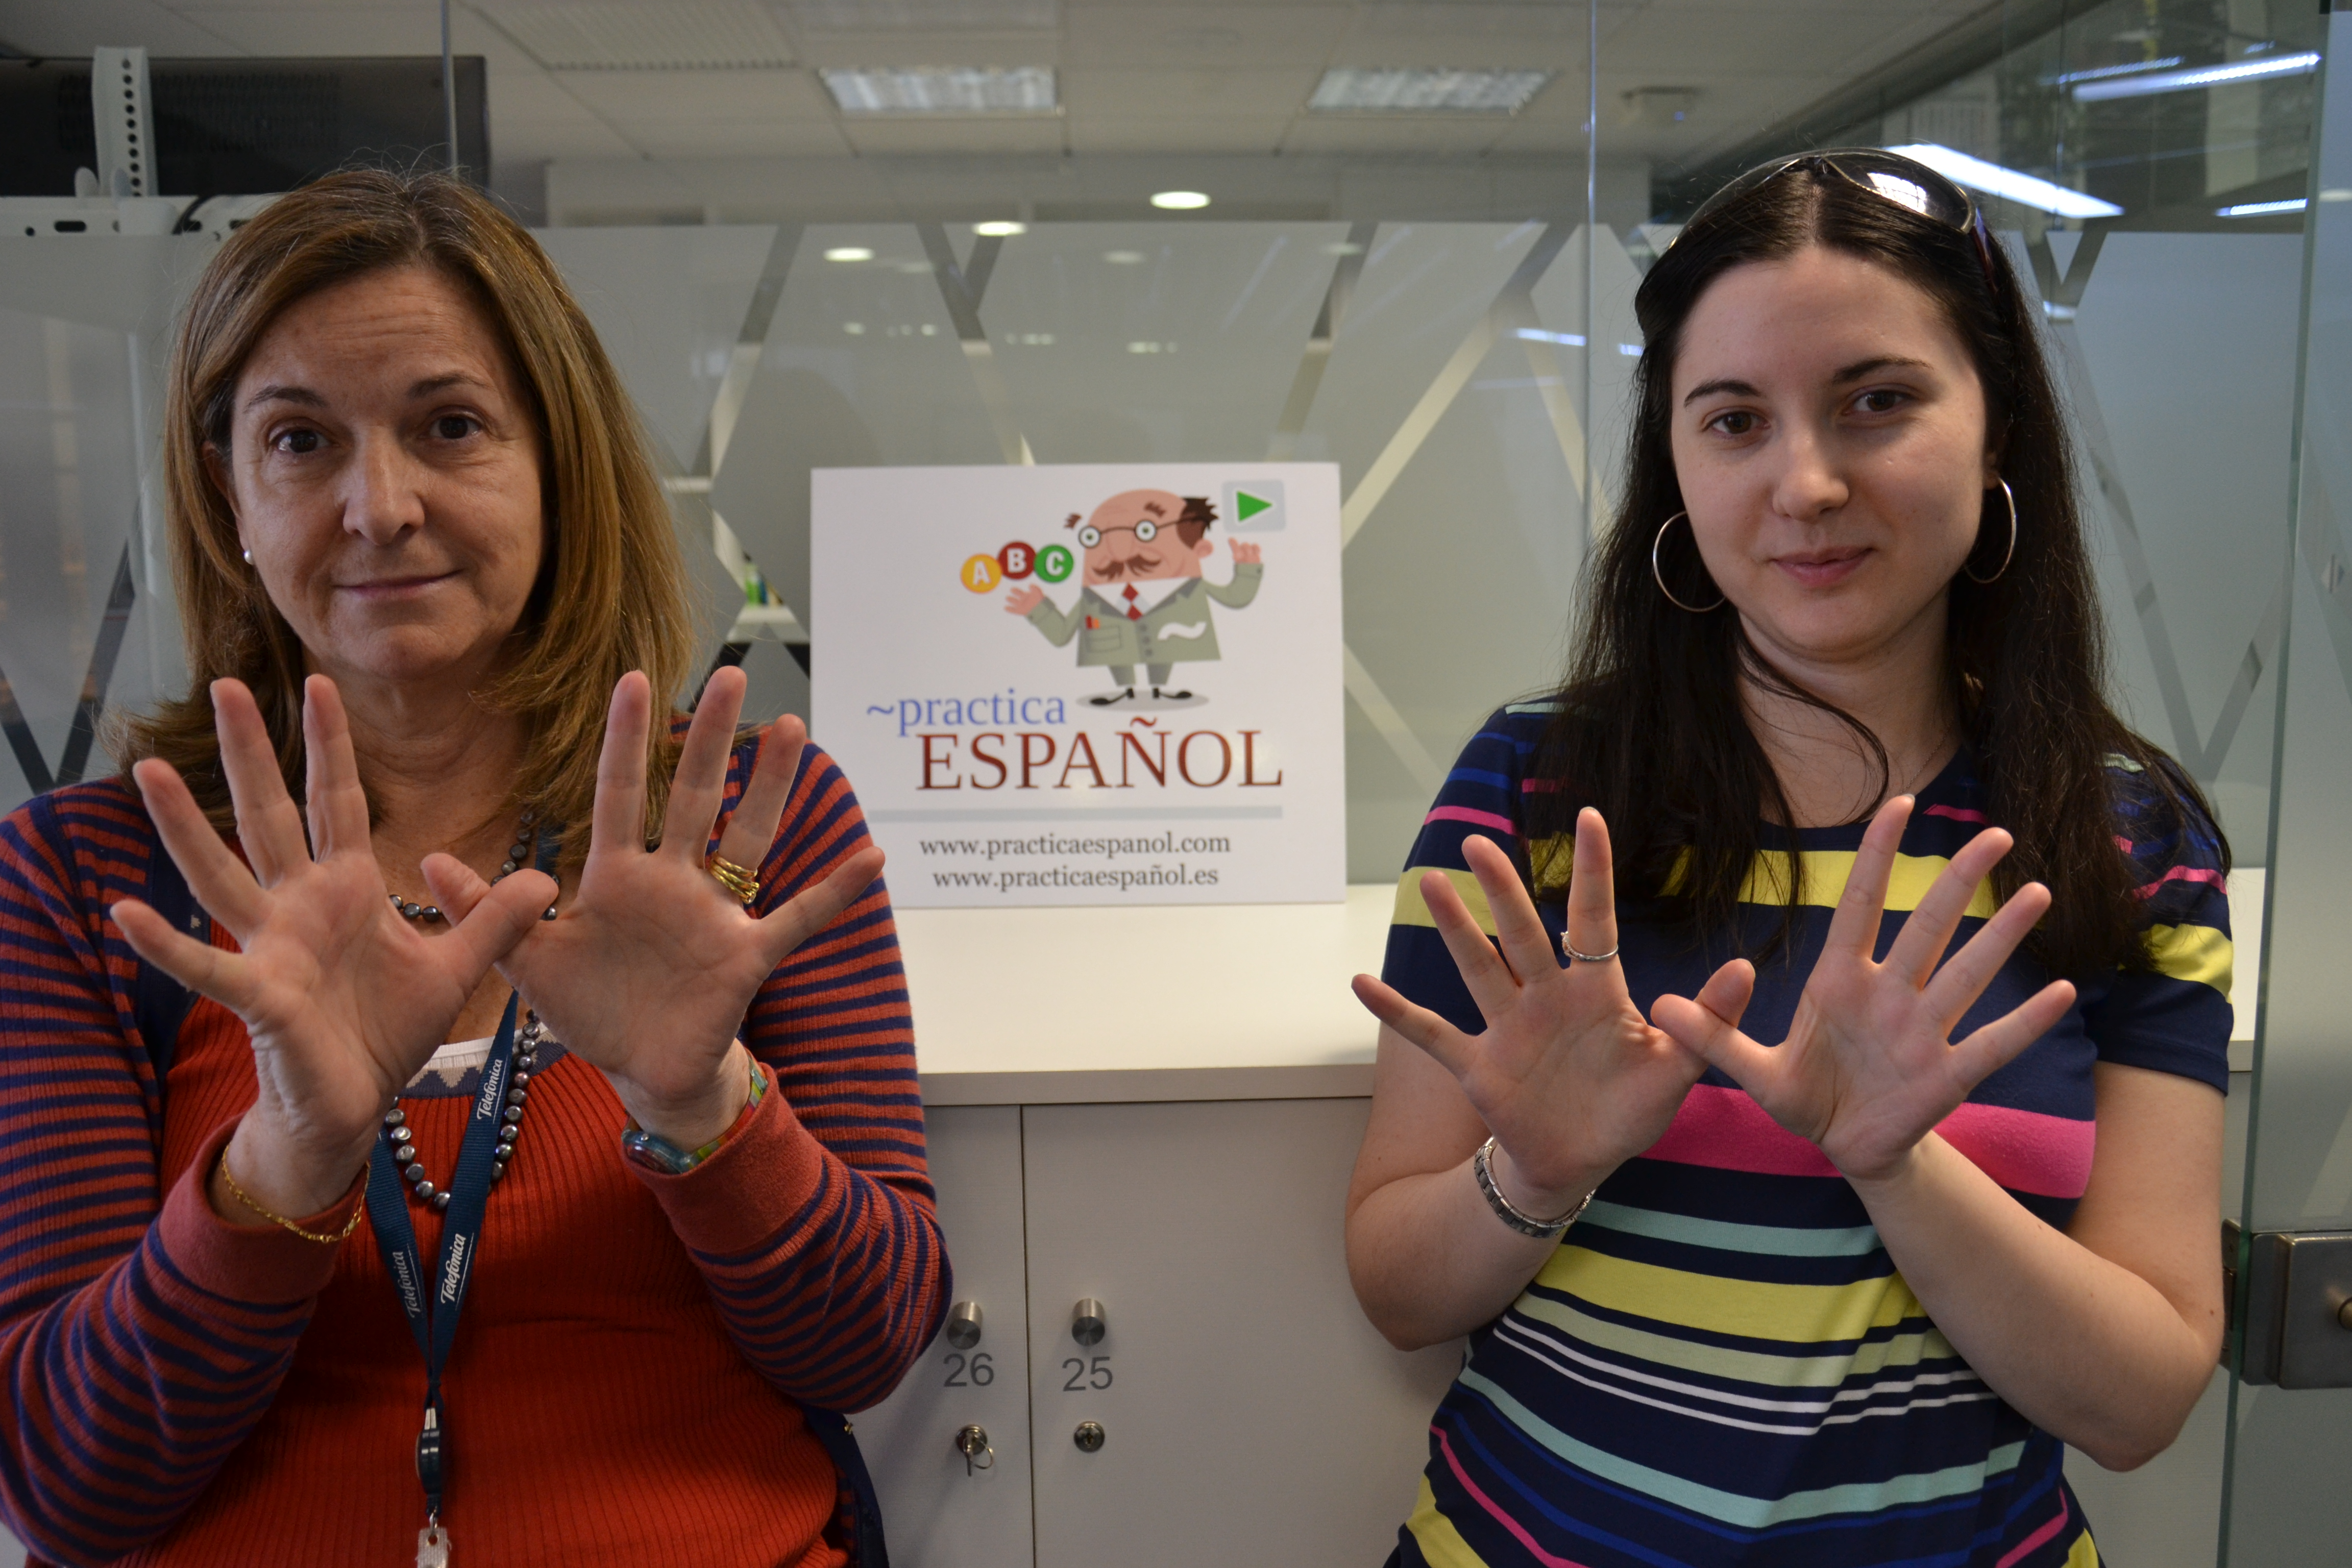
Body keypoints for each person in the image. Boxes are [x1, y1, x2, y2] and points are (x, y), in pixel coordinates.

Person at [0, 169, 947, 1567]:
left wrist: (704, 1104)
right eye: (301, 441)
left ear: (557, 461)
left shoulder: (732, 829)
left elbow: (865, 1345)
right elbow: (71, 1486)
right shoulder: (88, 882)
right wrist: (286, 1159)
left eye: (450, 427)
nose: (379, 507)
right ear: (230, 497)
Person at [1345, 150, 2228, 1568]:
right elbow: (1397, 1284)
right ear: (1676, 465)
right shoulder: (1536, 788)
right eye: (1735, 420)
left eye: (1878, 402)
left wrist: (1896, 1164)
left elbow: (2141, 1400)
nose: (1805, 482)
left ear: (1996, 427)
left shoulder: (2131, 844)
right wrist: (1538, 1167)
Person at [1006, 488, 1265, 704]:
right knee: (1118, 657)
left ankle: (1159, 689)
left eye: (1145, 532)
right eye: (1095, 537)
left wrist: (1247, 570)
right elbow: (1062, 635)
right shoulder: (1094, 600)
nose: (1119, 550)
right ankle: (1125, 691)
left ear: (1200, 550)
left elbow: (1235, 598)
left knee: (1163, 657)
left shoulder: (1190, 588)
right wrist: (1038, 609)